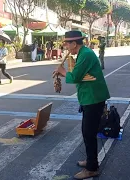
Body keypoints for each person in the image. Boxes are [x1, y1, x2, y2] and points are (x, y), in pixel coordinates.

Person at [54, 30, 110, 179]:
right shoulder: (82, 53)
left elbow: (76, 77)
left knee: (88, 133)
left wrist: (63, 71)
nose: (65, 46)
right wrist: (65, 72)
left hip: (93, 98)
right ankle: (90, 160)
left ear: (74, 43)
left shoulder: (85, 54)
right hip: (89, 98)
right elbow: (79, 75)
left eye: (67, 43)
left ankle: (92, 168)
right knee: (88, 132)